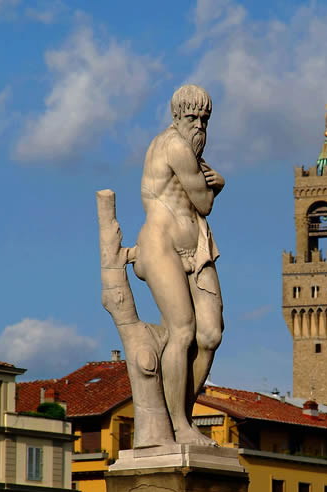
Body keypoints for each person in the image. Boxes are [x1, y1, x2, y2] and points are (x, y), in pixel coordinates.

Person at [133, 85, 225, 445]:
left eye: (205, 119)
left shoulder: (190, 149)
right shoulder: (174, 146)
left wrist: (209, 180)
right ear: (176, 116)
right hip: (161, 247)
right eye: (193, 118)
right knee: (183, 331)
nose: (200, 126)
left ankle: (180, 415)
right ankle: (180, 426)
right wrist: (219, 182)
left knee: (210, 334)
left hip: (196, 248)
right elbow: (203, 201)